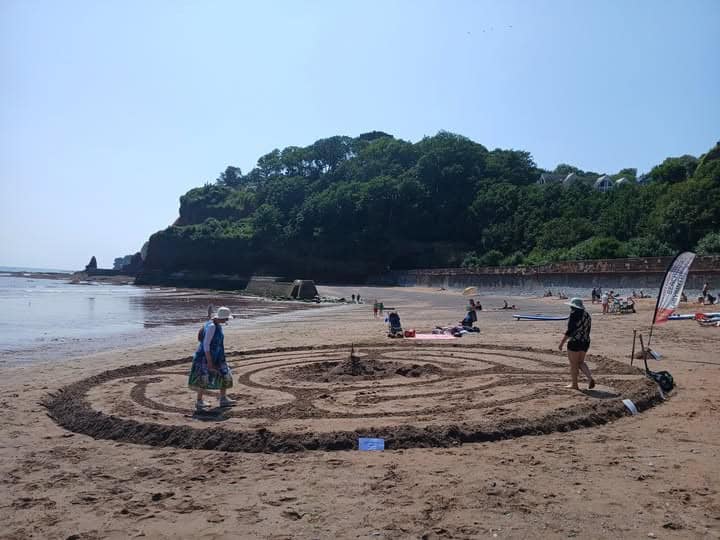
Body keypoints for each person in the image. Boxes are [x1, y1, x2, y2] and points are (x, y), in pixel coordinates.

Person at [188, 306, 235, 411]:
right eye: (226, 318)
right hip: (205, 357)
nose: (227, 320)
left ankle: (223, 398)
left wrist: (209, 311)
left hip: (218, 356)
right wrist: (209, 362)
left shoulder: (215, 323)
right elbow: (206, 344)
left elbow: (210, 317)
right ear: (221, 318)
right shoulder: (212, 326)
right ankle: (199, 401)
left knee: (225, 374)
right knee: (203, 378)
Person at [558, 298, 595, 390]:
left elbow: (570, 331)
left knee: (573, 364)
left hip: (575, 342)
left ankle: (574, 384)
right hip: (585, 341)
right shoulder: (587, 315)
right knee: (581, 362)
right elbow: (588, 330)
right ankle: (590, 378)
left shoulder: (574, 314)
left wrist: (562, 343)